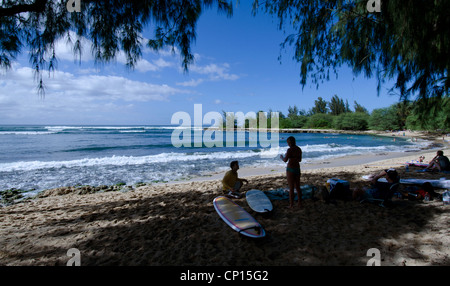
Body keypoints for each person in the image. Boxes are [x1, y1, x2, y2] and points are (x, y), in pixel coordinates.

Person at [280, 136, 302, 208]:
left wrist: (282, 157)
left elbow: (285, 160)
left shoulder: (289, 150)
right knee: (298, 187)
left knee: (291, 188)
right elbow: (299, 160)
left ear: (289, 142)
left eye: (288, 143)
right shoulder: (299, 149)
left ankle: (291, 205)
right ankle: (299, 203)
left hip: (290, 169)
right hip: (297, 168)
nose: (288, 144)